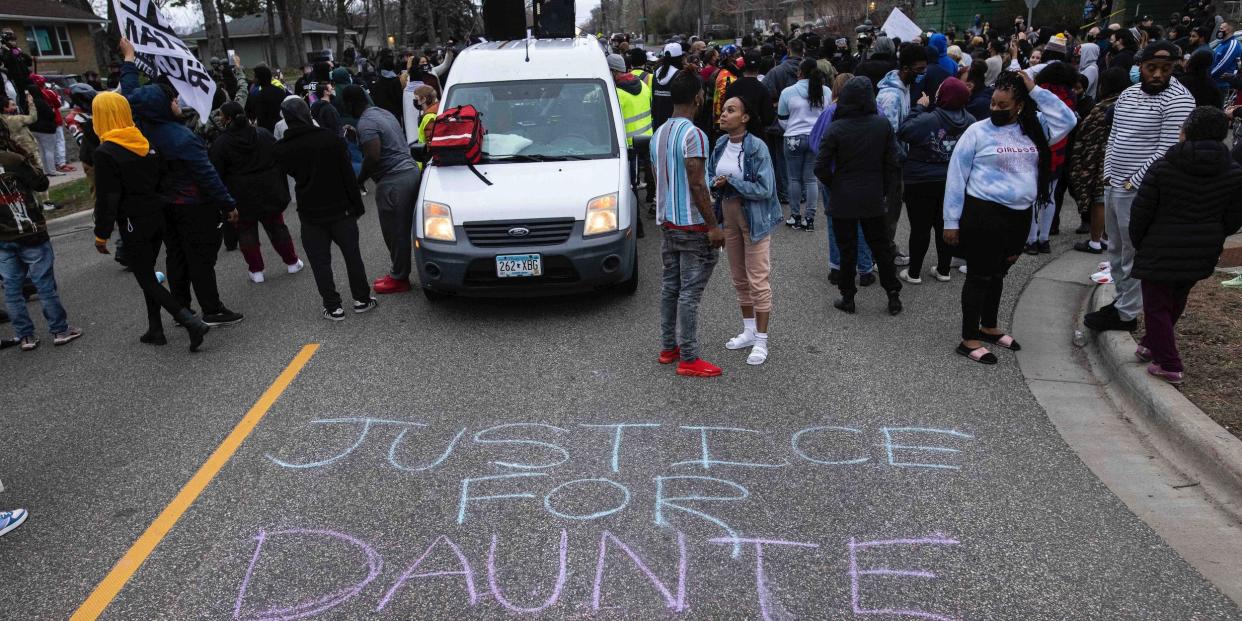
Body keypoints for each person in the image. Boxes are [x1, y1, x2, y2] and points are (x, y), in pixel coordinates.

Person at [944, 70, 1076, 364]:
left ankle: (989, 326)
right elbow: (956, 177)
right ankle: (969, 338)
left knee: (999, 272)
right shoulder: (977, 132)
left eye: (1003, 106)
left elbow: (1068, 120)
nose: (995, 109)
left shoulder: (1035, 127)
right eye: (993, 103)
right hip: (984, 214)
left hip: (1019, 216)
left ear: (1020, 105)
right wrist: (950, 221)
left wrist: (1035, 90)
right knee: (979, 276)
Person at [120, 38, 244, 327]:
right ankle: (211, 309)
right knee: (201, 259)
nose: (176, 101)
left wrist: (129, 60)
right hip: (193, 205)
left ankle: (182, 309)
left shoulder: (139, 130)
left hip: (163, 206)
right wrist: (227, 204)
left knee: (176, 257)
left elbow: (129, 96)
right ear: (163, 106)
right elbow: (207, 175)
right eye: (172, 99)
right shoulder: (182, 138)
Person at [1084, 41, 1196, 333]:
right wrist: (1108, 174)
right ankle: (1121, 303)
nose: (1158, 74)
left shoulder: (1180, 99)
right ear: (1141, 67)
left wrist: (1134, 180)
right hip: (1115, 184)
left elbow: (1167, 149)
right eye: (1152, 68)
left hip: (1140, 190)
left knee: (1133, 251)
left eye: (1165, 69)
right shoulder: (1128, 95)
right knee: (1117, 251)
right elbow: (1115, 136)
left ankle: (1126, 313)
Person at [1127, 106, 1242, 383]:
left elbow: (1141, 211)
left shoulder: (1164, 166)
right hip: (1204, 248)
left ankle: (1169, 363)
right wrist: (1214, 233)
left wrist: (1140, 242)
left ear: (1187, 131)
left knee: (1156, 305)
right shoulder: (1234, 171)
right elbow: (1234, 218)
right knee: (1176, 298)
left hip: (1159, 246)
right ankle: (1151, 344)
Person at [91, 92, 210, 350]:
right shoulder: (142, 142)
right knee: (148, 272)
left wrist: (101, 233)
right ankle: (155, 328)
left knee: (145, 276)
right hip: (158, 214)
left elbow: (108, 197)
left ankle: (189, 321)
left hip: (134, 221)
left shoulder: (106, 152)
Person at [273, 97, 375, 320]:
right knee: (352, 255)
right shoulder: (330, 139)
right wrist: (357, 206)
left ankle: (333, 306)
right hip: (341, 209)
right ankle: (362, 299)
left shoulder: (282, 149)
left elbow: (280, 178)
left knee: (320, 262)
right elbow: (348, 175)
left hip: (310, 213)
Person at [652, 69, 725, 378]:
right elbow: (696, 184)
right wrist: (714, 226)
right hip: (693, 227)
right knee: (690, 293)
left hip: (669, 222)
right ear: (698, 97)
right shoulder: (693, 134)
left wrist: (710, 183)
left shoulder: (659, 133)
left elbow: (667, 180)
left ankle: (669, 347)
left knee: (671, 287)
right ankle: (690, 357)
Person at [815, 76, 903, 315]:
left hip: (844, 195)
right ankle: (892, 294)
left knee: (847, 249)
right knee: (881, 247)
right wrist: (883, 188)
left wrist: (836, 184)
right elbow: (892, 161)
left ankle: (848, 297)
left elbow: (821, 166)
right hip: (873, 194)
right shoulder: (881, 125)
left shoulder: (836, 127)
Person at [709, 95, 782, 365]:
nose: (724, 114)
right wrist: (714, 182)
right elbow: (708, 174)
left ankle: (762, 340)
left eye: (731, 110)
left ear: (745, 117)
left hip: (755, 219)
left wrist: (733, 181)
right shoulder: (719, 144)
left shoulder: (757, 148)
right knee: (739, 278)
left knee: (758, 281)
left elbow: (765, 189)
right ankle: (749, 331)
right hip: (728, 218)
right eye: (724, 109)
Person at [0, 121, 83, 350]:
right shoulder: (13, 159)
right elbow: (41, 182)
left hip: (3, 238)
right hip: (30, 231)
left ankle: (25, 336)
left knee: (12, 289)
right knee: (44, 284)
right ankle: (59, 330)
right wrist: (26, 157)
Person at [209, 102, 303, 283]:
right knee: (277, 226)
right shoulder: (262, 134)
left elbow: (216, 173)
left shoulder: (221, 143)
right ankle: (292, 262)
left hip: (240, 195)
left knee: (246, 231)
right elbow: (278, 155)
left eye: (221, 116)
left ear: (227, 119)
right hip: (269, 189)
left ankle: (256, 270)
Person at [343, 84, 422, 294]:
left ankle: (399, 278)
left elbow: (373, 156)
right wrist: (357, 137)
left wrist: (359, 180)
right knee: (410, 228)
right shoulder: (382, 113)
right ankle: (411, 271)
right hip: (411, 172)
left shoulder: (365, 123)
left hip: (393, 181)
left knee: (395, 233)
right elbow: (386, 142)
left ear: (351, 104)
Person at [898, 77, 973, 284]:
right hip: (952, 181)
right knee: (945, 225)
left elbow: (904, 131)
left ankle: (913, 273)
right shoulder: (971, 122)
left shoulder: (929, 119)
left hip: (920, 180)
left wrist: (918, 109)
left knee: (920, 229)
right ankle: (943, 269)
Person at [877, 43, 929, 267]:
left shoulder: (904, 89)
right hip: (890, 164)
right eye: (919, 70)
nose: (922, 74)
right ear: (906, 69)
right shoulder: (892, 96)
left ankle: (887, 249)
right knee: (888, 212)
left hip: (897, 162)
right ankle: (881, 255)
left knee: (893, 211)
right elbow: (887, 135)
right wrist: (902, 159)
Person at [1070, 68, 1131, 257]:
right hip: (1126, 160)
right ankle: (1105, 237)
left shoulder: (1103, 107)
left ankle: (1095, 241)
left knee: (1099, 200)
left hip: (1104, 159)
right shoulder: (1132, 102)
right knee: (1113, 199)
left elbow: (1086, 135)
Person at [777, 58, 831, 230]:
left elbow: (782, 118)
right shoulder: (826, 91)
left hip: (793, 137)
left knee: (793, 178)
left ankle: (795, 216)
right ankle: (810, 218)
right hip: (816, 138)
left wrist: (792, 128)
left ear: (800, 72)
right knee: (811, 179)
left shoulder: (788, 92)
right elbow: (828, 114)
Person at [652, 43, 687, 132]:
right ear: (680, 58)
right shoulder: (679, 75)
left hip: (657, 124)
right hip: (674, 126)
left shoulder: (656, 73)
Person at [245, 65, 288, 133]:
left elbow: (250, 113)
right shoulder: (280, 91)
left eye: (255, 77)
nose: (253, 80)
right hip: (282, 128)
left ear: (260, 78)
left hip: (266, 131)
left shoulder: (257, 95)